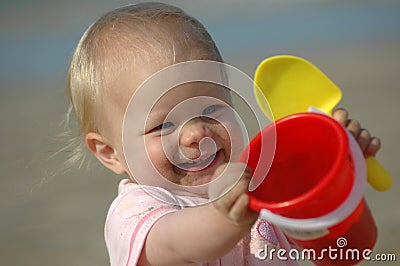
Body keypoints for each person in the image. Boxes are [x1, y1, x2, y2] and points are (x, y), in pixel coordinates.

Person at [66, 2, 381, 265]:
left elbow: (341, 253)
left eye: (210, 109)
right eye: (163, 126)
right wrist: (229, 217)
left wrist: (337, 173)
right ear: (110, 152)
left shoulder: (262, 187)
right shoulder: (136, 211)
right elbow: (175, 246)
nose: (196, 133)